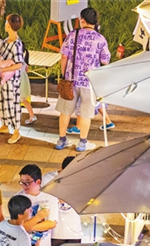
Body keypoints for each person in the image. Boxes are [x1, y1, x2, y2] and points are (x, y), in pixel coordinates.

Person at [55, 7, 111, 152]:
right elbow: (105, 60)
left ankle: (62, 141)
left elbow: (63, 56)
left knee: (65, 112)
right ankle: (82, 143)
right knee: (86, 114)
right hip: (89, 83)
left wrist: (64, 75)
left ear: (82, 20)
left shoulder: (73, 35)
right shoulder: (100, 39)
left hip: (71, 81)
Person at [16, 164, 58, 246]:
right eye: (22, 182)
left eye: (27, 182)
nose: (24, 185)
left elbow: (52, 223)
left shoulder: (49, 196)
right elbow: (18, 227)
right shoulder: (17, 199)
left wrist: (28, 226)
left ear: (38, 181)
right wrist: (38, 218)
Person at [0, 14, 26, 144]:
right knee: (2, 102)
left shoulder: (16, 44)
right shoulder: (6, 41)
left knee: (12, 105)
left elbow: (20, 64)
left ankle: (16, 131)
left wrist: (4, 69)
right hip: (2, 79)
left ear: (8, 25)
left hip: (11, 81)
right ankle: (5, 124)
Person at [42, 157, 83, 246]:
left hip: (74, 232)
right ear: (61, 168)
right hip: (56, 233)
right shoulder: (49, 178)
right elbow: (46, 198)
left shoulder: (80, 178)